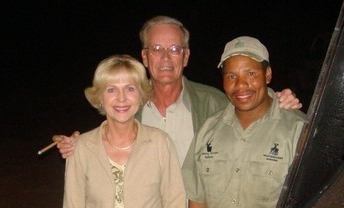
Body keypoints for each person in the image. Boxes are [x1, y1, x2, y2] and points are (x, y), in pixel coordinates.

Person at [54, 16, 302, 164]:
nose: (165, 58)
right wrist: (80, 145)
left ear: (186, 57)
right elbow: (107, 140)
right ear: (145, 56)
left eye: (174, 50)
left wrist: (275, 98)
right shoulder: (127, 104)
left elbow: (249, 109)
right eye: (156, 49)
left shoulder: (212, 103)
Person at [182, 36, 307, 208]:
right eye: (231, 76)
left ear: (267, 74)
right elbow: (197, 201)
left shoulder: (297, 130)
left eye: (250, 73)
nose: (241, 85)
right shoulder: (208, 131)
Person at [62, 54, 187, 208]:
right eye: (111, 89)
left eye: (130, 88)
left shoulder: (160, 144)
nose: (121, 98)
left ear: (141, 94)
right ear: (100, 97)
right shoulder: (81, 148)